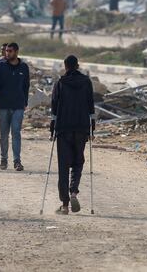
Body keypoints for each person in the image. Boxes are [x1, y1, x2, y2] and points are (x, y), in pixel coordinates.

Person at [50, 55, 95, 214]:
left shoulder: (60, 83)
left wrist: (52, 128)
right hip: (82, 128)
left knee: (63, 167)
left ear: (66, 66)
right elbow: (91, 106)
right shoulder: (86, 82)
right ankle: (74, 191)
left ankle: (64, 205)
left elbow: (54, 107)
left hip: (63, 129)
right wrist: (92, 128)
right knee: (78, 162)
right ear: (77, 66)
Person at [0, 42, 30, 171]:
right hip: (4, 105)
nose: (7, 53)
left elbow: (26, 86)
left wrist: (25, 102)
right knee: (3, 134)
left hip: (18, 105)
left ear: (16, 52)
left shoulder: (24, 67)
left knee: (16, 133)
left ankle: (17, 161)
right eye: (6, 51)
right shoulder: (1, 66)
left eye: (10, 51)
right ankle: (4, 159)